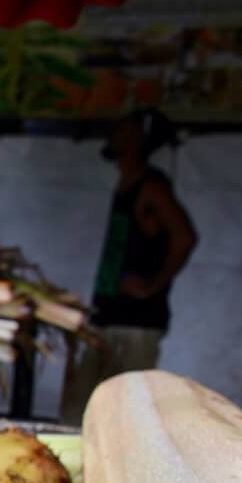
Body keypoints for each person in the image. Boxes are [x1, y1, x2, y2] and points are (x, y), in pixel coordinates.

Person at [58, 109, 199, 425]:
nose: (113, 133)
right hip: (108, 317)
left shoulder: (151, 187)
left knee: (123, 417)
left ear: (138, 140)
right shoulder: (126, 183)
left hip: (135, 324)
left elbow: (185, 237)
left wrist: (152, 285)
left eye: (123, 129)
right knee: (81, 411)